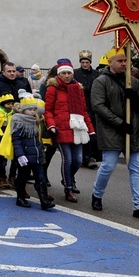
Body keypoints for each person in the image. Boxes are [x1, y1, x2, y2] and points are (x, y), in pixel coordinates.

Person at [91, 48, 139, 221]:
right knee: (108, 165)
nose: (124, 64)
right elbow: (98, 106)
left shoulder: (132, 81)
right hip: (111, 131)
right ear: (110, 62)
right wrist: (120, 123)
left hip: (132, 131)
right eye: (120, 61)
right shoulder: (101, 81)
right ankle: (97, 194)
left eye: (126, 61)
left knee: (136, 168)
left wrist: (134, 96)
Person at [44, 58, 96, 203]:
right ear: (59, 74)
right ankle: (68, 188)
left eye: (69, 73)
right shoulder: (52, 88)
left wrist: (91, 130)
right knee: (67, 160)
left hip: (77, 129)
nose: (67, 76)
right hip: (60, 129)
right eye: (64, 73)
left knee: (78, 160)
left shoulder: (77, 89)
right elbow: (48, 111)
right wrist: (51, 126)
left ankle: (67, 178)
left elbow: (83, 111)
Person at [11, 97, 55, 210]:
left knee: (41, 178)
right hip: (25, 156)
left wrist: (41, 150)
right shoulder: (18, 120)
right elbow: (16, 140)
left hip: (36, 155)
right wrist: (20, 155)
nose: (33, 112)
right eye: (29, 109)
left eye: (34, 109)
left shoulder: (36, 121)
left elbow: (37, 138)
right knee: (22, 177)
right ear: (23, 110)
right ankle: (20, 198)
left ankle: (44, 200)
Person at [74, 50, 101, 168]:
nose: (85, 64)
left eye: (87, 62)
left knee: (92, 133)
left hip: (93, 106)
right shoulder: (75, 73)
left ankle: (91, 156)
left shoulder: (96, 74)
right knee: (81, 133)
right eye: (83, 62)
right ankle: (83, 156)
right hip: (80, 107)